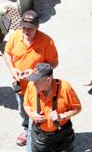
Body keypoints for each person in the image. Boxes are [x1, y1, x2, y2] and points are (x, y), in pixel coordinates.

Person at [4, 10, 59, 147]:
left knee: (40, 111)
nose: (26, 32)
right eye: (24, 28)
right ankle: (26, 130)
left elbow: (54, 63)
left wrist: (34, 71)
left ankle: (42, 132)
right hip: (20, 85)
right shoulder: (16, 36)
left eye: (30, 29)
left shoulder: (47, 41)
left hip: (39, 86)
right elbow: (7, 53)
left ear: (37, 27)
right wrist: (13, 69)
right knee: (23, 109)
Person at [23, 63, 81, 152]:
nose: (34, 84)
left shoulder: (65, 88)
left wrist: (62, 116)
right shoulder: (31, 85)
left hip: (63, 136)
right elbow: (26, 104)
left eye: (37, 81)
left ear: (48, 80)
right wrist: (31, 114)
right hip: (40, 137)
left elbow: (77, 108)